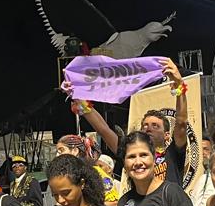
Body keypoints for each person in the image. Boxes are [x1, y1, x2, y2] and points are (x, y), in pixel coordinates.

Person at [74, 58, 195, 186]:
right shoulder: (130, 151)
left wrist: (179, 84)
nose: (148, 128)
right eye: (145, 126)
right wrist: (80, 100)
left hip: (169, 205)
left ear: (166, 135)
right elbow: (104, 131)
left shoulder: (173, 153)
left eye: (155, 126)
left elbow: (181, 122)